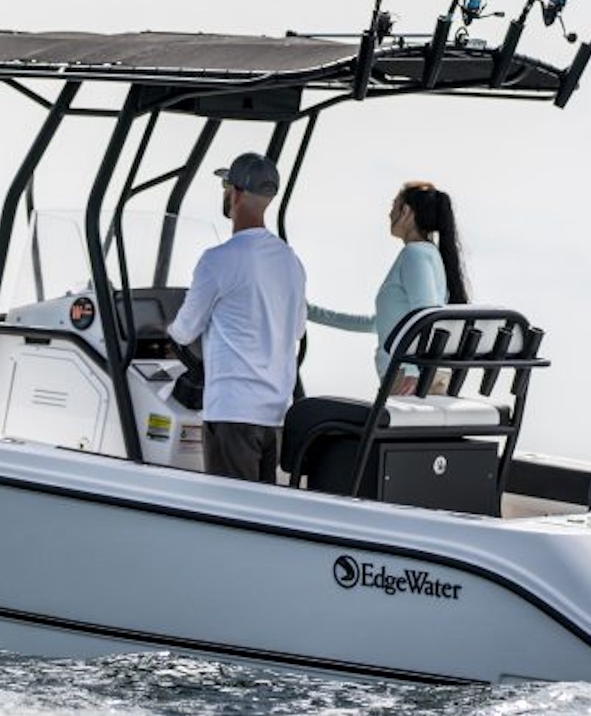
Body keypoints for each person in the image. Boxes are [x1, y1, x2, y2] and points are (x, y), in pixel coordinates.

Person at [168, 152, 307, 483]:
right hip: (274, 414)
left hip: (232, 412)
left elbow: (184, 331)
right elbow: (297, 329)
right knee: (259, 507)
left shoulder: (219, 259)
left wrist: (165, 328)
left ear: (236, 193)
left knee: (227, 507)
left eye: (225, 186)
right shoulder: (290, 261)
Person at [307, 181, 469, 393]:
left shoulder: (415, 254)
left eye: (394, 205)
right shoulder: (426, 254)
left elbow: (426, 314)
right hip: (416, 374)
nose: (389, 214)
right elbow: (378, 324)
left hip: (410, 377)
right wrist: (308, 312)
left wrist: (412, 370)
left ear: (406, 211)